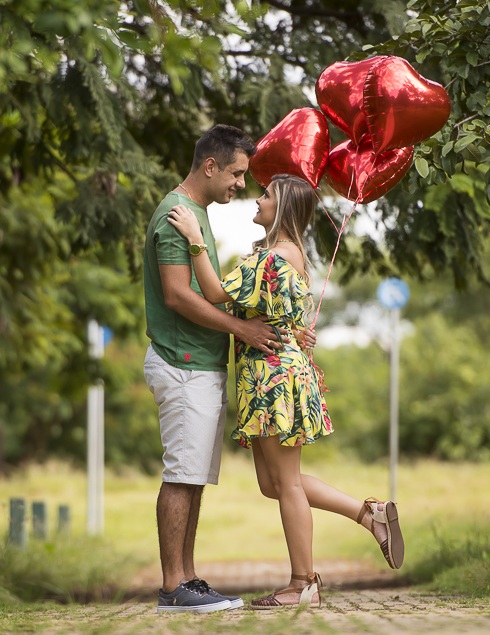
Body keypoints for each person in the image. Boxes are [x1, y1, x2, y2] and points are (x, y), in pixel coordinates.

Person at [167, 173, 404, 609]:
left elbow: (215, 292)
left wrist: (195, 239)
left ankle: (303, 583)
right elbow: (281, 317)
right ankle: (368, 514)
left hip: (273, 378)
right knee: (273, 483)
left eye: (267, 195)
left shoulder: (274, 257)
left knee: (287, 483)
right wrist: (296, 333)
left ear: (284, 209)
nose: (257, 199)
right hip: (269, 376)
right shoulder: (283, 254)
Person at [143, 125, 303, 613]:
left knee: (193, 476)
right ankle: (174, 585)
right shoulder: (177, 215)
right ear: (210, 166)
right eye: (236, 173)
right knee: (182, 475)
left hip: (202, 365)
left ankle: (188, 579)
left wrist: (280, 327)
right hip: (183, 362)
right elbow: (178, 295)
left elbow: (226, 294)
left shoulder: (197, 215)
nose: (241, 184)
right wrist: (242, 330)